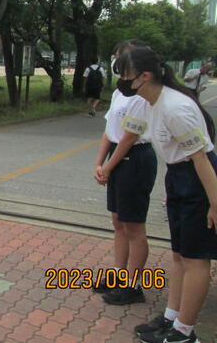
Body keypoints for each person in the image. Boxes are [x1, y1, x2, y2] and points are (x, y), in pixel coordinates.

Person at [114, 46, 217, 343]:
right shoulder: (150, 102)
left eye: (125, 75)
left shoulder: (176, 107)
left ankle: (185, 331)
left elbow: (201, 158)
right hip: (178, 176)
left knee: (196, 258)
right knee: (179, 255)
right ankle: (172, 317)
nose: (122, 81)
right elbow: (129, 131)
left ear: (144, 76)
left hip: (197, 179)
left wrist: (214, 204)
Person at [92, 40, 157, 305]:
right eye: (115, 56)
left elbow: (130, 137)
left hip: (135, 159)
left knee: (133, 226)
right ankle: (119, 276)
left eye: (121, 57)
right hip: (117, 158)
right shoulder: (120, 91)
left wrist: (108, 167)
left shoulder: (141, 94)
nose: (116, 61)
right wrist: (99, 163)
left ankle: (133, 286)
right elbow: (110, 129)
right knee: (118, 223)